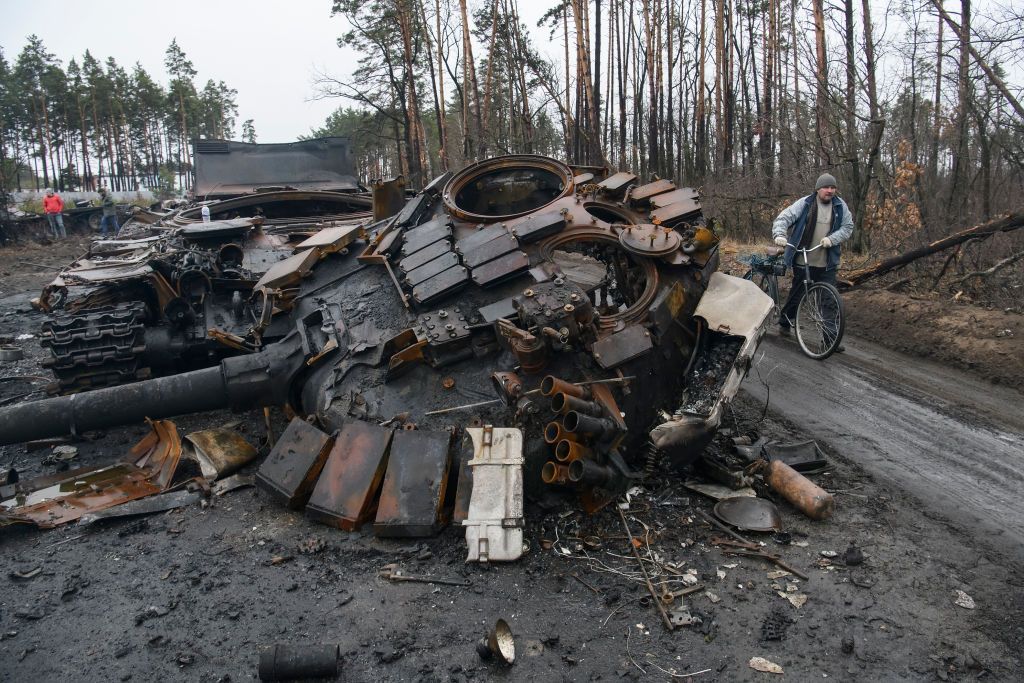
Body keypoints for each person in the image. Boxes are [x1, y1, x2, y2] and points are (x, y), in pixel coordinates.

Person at [771, 173, 853, 346]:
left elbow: (848, 227)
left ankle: (830, 341)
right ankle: (785, 321)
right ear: (818, 189)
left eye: (832, 187)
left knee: (829, 301)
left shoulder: (840, 206)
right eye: (826, 187)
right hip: (803, 258)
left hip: (827, 263)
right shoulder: (805, 203)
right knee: (798, 295)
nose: (829, 191)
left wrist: (833, 239)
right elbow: (783, 218)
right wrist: (779, 234)